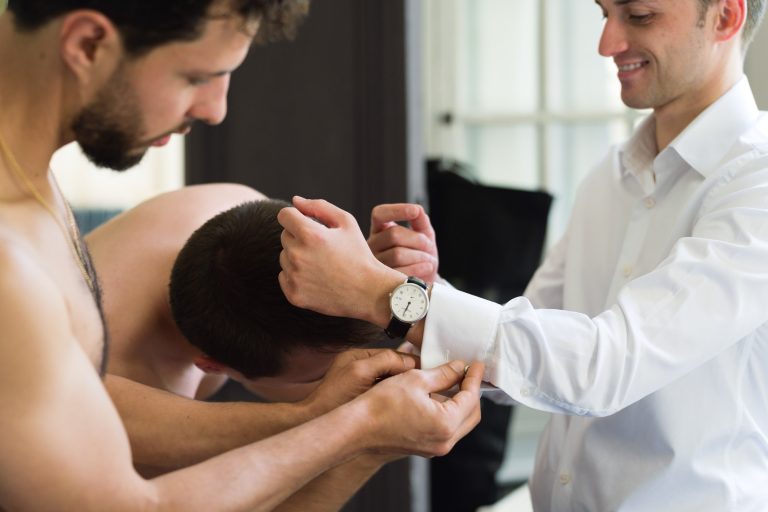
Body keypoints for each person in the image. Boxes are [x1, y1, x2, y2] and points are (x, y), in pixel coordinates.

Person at [277, 0, 768, 509]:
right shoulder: (611, 174)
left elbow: (603, 367)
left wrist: (384, 296)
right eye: (605, 14)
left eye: (639, 15)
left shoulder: (759, 184)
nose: (607, 44)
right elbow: (531, 353)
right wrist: (423, 287)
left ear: (725, 18)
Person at [0, 2, 483, 510]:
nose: (215, 110)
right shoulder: (10, 262)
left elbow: (81, 398)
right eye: (197, 76)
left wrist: (372, 292)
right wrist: (359, 427)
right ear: (88, 44)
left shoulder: (29, 184)